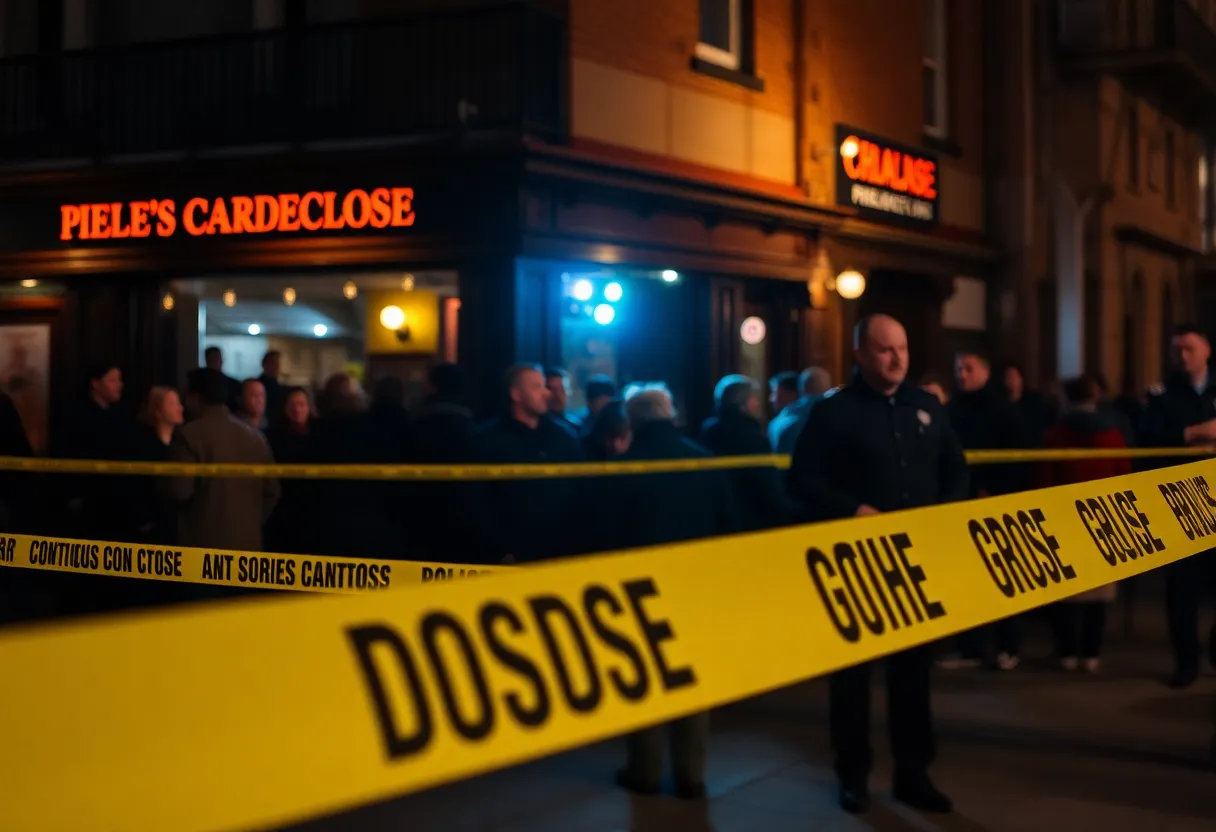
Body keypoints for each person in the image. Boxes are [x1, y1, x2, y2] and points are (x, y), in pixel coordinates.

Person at [789, 313, 967, 815]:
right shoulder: (834, 412)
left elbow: (956, 469)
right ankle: (853, 777)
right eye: (885, 350)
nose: (896, 359)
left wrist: (945, 514)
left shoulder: (926, 406)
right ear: (861, 354)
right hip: (857, 564)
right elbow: (802, 480)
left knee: (913, 677)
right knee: (852, 682)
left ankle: (914, 774)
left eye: (902, 349)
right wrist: (853, 509)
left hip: (916, 562)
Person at [604, 385, 737, 801]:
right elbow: (728, 524)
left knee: (645, 676)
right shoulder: (705, 462)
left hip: (638, 588)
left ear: (632, 422)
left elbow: (607, 534)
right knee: (692, 678)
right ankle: (690, 774)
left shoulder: (622, 470)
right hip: (696, 585)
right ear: (672, 415)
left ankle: (644, 769)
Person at [1036, 375, 1130, 672]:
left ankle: (1066, 652)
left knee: (1064, 592)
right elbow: (1124, 475)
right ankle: (1091, 654)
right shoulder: (1113, 435)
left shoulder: (1055, 435)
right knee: (1097, 595)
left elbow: (1044, 479)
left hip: (1064, 519)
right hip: (1103, 518)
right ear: (1095, 397)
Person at [942, 351, 1028, 671]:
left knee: (1003, 576)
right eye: (958, 368)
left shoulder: (1003, 410)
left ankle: (1008, 645)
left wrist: (995, 489)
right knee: (966, 579)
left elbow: (1017, 459)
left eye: (968, 368)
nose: (962, 374)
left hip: (996, 504)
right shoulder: (952, 408)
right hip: (960, 502)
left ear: (985, 372)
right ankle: (970, 647)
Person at [1141, 324, 1216, 688]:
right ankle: (1186, 662)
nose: (1182, 356)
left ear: (1207, 351)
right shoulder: (1162, 394)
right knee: (1181, 588)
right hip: (1180, 502)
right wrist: (1194, 433)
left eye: (1189, 348)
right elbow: (1148, 439)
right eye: (1177, 350)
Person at [160, 369, 280, 569]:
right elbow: (272, 491)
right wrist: (248, 522)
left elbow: (178, 490)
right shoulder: (255, 437)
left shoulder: (188, 436)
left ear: (195, 398)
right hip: (248, 550)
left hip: (202, 551)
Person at [479, 364, 585, 561]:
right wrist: (499, 549)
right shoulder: (488, 440)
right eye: (537, 387)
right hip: (512, 556)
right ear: (516, 394)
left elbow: (581, 492)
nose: (547, 393)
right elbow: (479, 501)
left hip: (562, 553)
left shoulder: (564, 437)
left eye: (544, 386)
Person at [699, 374, 791, 530]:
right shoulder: (753, 438)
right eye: (754, 399)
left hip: (717, 519)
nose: (757, 403)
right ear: (744, 403)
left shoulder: (708, 432)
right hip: (751, 520)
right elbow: (767, 487)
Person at [768, 367, 832, 455]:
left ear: (801, 389)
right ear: (828, 388)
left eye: (775, 393)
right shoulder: (834, 416)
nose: (771, 399)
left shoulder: (779, 421)